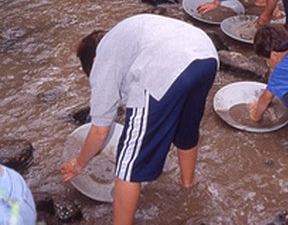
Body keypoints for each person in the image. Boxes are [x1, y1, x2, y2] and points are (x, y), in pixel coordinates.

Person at [61, 14, 219, 225]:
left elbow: (100, 131)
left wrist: (78, 164)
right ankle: (188, 186)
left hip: (167, 68)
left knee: (128, 165)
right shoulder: (124, 36)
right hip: (205, 56)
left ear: (93, 62)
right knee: (186, 129)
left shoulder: (104, 57)